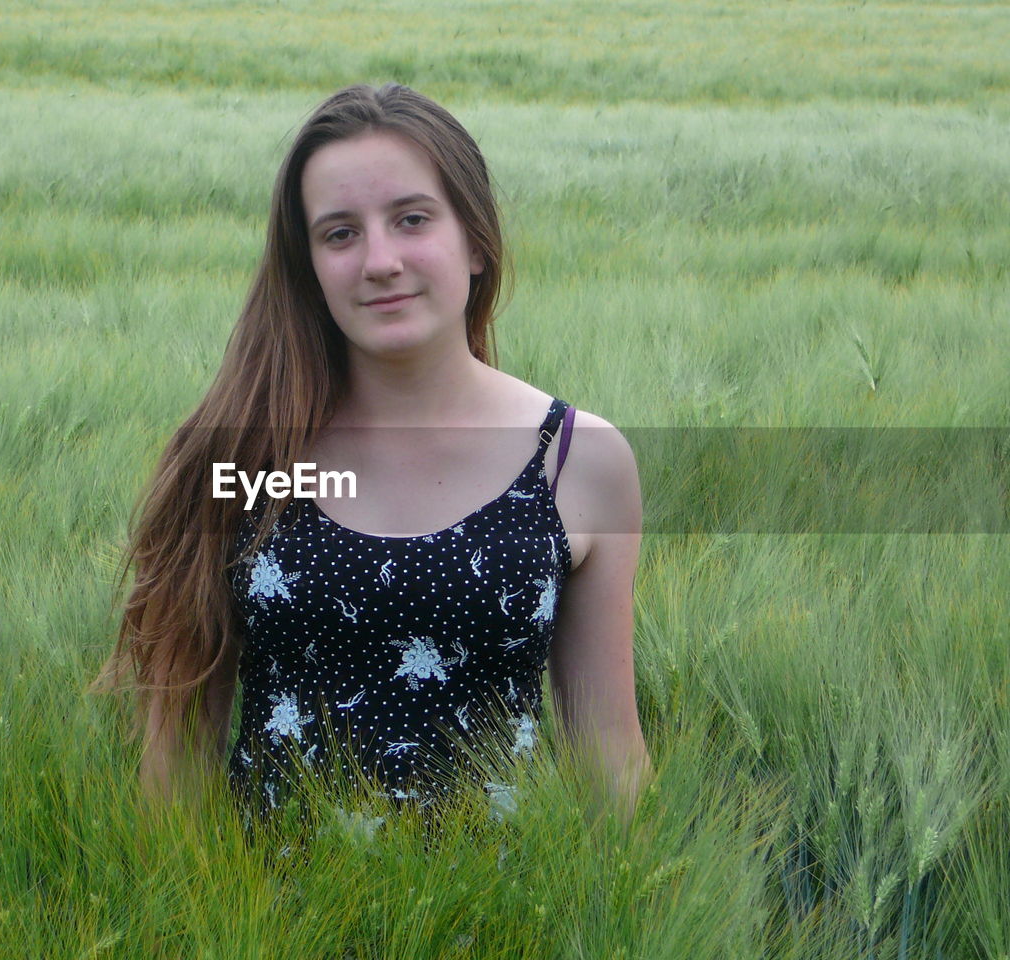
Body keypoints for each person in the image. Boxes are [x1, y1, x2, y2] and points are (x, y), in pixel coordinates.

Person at [90, 83, 650, 833]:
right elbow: (178, 761)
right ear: (309, 266)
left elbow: (608, 757)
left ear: (476, 240)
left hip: (505, 921)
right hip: (269, 924)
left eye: (412, 220)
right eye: (339, 234)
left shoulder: (578, 461)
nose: (379, 261)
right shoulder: (245, 455)